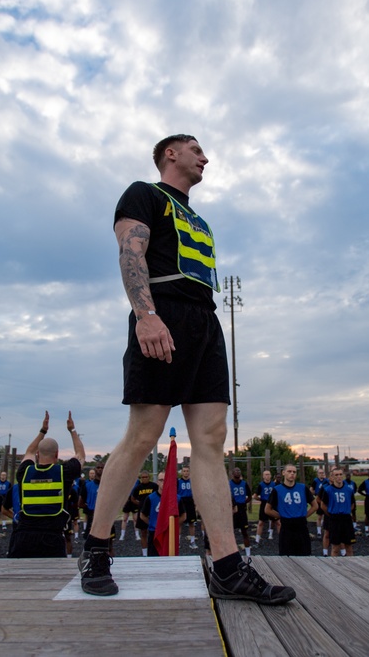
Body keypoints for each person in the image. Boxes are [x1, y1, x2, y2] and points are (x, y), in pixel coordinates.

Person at [79, 134, 293, 605]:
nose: (205, 157)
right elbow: (131, 254)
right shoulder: (143, 192)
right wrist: (146, 315)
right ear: (170, 154)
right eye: (196, 149)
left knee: (212, 440)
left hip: (204, 320)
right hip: (162, 311)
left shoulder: (199, 218)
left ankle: (227, 565)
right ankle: (95, 548)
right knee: (143, 434)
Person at [7, 411, 85, 559]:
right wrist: (72, 430)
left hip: (22, 537)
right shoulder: (64, 473)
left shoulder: (24, 471)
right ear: (57, 455)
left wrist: (43, 430)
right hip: (52, 539)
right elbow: (80, 455)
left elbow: (29, 451)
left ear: (37, 455)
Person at [265, 464, 316, 556]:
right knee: (286, 557)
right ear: (283, 473)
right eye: (289, 471)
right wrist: (281, 515)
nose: (292, 474)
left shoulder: (303, 488)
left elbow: (315, 506)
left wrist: (304, 515)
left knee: (304, 556)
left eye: (294, 472)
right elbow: (267, 509)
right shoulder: (277, 490)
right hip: (286, 527)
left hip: (301, 526)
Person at [140, 472, 187, 556]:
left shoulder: (176, 498)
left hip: (170, 533)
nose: (163, 482)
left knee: (170, 559)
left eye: (166, 480)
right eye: (161, 480)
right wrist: (153, 524)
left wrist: (173, 525)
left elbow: (183, 516)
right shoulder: (150, 498)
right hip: (154, 533)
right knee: (153, 560)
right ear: (157, 482)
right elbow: (142, 515)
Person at [319, 468, 356, 557]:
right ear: (332, 477)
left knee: (349, 546)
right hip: (334, 519)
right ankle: (334, 566)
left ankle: (351, 567)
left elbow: (352, 504)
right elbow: (323, 505)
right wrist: (331, 514)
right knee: (335, 547)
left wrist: (346, 511)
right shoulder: (328, 490)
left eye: (340, 474)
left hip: (346, 519)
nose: (339, 477)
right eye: (336, 475)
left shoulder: (348, 489)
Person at [131, 471, 160, 555]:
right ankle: (144, 553)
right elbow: (132, 498)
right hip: (142, 512)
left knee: (154, 532)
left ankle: (156, 550)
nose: (144, 479)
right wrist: (139, 504)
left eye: (146, 477)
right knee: (143, 532)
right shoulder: (138, 488)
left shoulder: (154, 486)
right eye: (142, 477)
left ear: (149, 477)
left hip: (153, 512)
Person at [229, 467, 252, 557]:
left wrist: (243, 503)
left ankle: (248, 554)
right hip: (233, 510)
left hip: (242, 510)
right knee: (231, 532)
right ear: (232, 474)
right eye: (236, 471)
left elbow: (250, 496)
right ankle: (232, 553)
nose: (238, 472)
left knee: (245, 531)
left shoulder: (244, 484)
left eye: (239, 471)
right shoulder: (229, 484)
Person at [78, 465, 102, 539]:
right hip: (91, 512)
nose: (100, 470)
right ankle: (85, 529)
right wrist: (88, 506)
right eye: (98, 468)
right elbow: (80, 502)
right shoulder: (86, 484)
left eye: (102, 468)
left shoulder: (108, 485)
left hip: (104, 514)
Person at [177, 465, 198, 548]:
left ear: (189, 472)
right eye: (184, 471)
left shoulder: (192, 482)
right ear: (182, 472)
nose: (186, 472)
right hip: (181, 502)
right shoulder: (178, 482)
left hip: (190, 502)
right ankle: (178, 542)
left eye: (187, 471)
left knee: (192, 522)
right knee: (179, 523)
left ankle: (192, 541)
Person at [254, 470, 277, 543]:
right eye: (266, 474)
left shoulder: (274, 484)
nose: (267, 476)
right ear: (263, 476)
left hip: (272, 504)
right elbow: (255, 496)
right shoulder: (261, 485)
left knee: (274, 520)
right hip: (264, 504)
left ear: (271, 476)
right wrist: (261, 499)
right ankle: (257, 538)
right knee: (261, 522)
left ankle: (271, 532)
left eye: (269, 474)